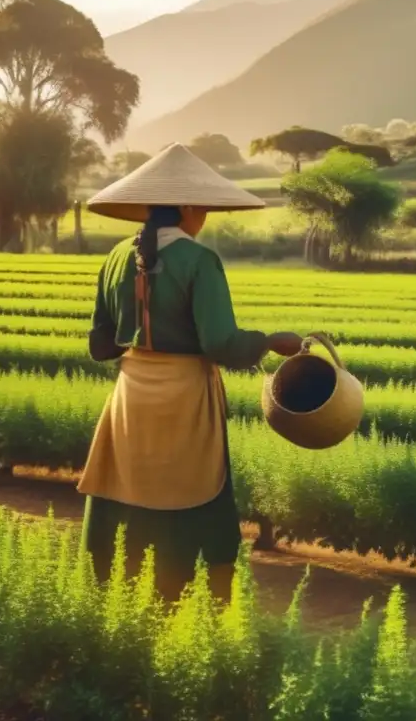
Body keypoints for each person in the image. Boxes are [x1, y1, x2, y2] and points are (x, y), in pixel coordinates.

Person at [76, 144, 302, 604]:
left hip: (129, 399)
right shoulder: (199, 262)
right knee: (195, 496)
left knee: (127, 491)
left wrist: (141, 327)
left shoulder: (117, 257)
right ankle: (199, 609)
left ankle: (116, 601)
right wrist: (273, 340)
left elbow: (100, 346)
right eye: (202, 207)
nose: (204, 216)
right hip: (183, 400)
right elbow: (220, 343)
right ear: (185, 207)